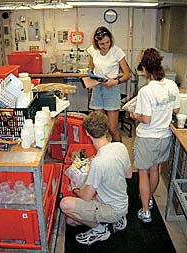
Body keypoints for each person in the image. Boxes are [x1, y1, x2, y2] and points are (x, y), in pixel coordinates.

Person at [60, 111, 132, 245]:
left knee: (65, 205)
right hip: (122, 203)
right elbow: (129, 175)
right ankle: (116, 219)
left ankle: (101, 230)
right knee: (71, 221)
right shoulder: (120, 146)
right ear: (106, 129)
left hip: (111, 209)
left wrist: (75, 188)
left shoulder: (98, 163)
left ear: (87, 133)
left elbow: (86, 197)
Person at [130, 48, 180, 223]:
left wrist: (134, 115)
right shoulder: (172, 86)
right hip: (165, 136)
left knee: (143, 172)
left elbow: (146, 119)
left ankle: (145, 211)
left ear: (144, 68)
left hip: (147, 137)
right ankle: (149, 199)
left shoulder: (146, 91)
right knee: (155, 169)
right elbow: (176, 109)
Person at [87, 26, 131, 142]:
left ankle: (118, 153)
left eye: (108, 42)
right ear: (97, 43)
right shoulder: (93, 50)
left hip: (112, 89)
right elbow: (91, 66)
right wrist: (91, 75)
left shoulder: (117, 52)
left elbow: (127, 74)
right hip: (97, 89)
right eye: (102, 44)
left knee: (112, 128)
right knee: (98, 128)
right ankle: (102, 154)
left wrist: (115, 81)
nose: (105, 46)